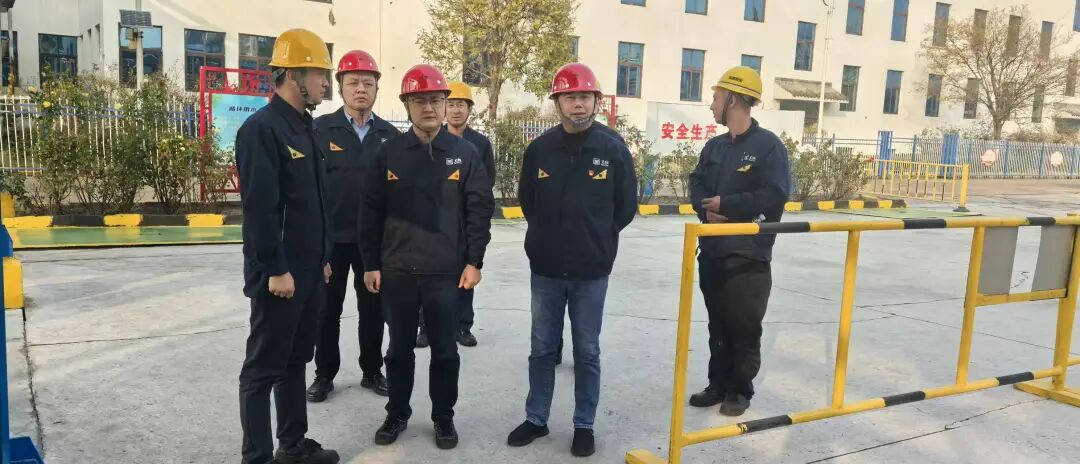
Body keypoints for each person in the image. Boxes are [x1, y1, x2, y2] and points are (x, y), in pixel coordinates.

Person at [359, 64, 495, 450]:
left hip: (446, 273)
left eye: (436, 100)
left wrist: (474, 261)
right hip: (397, 271)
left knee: (446, 352)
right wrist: (370, 263)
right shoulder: (388, 154)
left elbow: (479, 210)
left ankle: (443, 417)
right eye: (420, 101)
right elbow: (369, 212)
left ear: (445, 103)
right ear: (407, 105)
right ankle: (397, 412)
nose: (429, 108)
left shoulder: (465, 154)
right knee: (398, 350)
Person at [506, 62, 637, 458]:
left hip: (590, 271)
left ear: (595, 101)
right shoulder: (540, 150)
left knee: (587, 351)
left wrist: (596, 238)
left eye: (584, 97)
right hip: (546, 268)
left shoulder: (612, 149)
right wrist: (548, 236)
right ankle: (536, 418)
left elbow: (625, 208)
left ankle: (584, 425)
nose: (577, 104)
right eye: (569, 97)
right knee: (542, 348)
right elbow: (528, 202)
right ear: (557, 103)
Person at [235, 28, 339, 464]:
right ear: (293, 75)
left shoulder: (306, 128)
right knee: (262, 370)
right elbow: (260, 210)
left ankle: (292, 447)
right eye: (319, 75)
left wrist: (324, 257)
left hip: (310, 272)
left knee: (296, 360)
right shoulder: (262, 130)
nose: (326, 84)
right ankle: (257, 457)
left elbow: (316, 201)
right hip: (279, 276)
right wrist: (276, 269)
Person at [687, 66, 791, 417]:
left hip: (748, 256)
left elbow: (775, 194)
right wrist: (705, 212)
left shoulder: (768, 146)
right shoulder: (714, 147)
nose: (711, 105)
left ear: (733, 99)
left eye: (716, 98)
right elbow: (696, 183)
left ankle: (739, 390)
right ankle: (717, 385)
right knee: (717, 324)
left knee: (744, 326)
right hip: (713, 251)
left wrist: (727, 206)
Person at [307, 49, 400, 403]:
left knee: (373, 310)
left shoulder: (391, 136)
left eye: (368, 83)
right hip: (332, 241)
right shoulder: (319, 130)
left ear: (376, 88)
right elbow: (310, 190)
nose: (361, 89)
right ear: (341, 87)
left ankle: (372, 370)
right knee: (326, 311)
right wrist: (317, 246)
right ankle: (324, 374)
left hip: (373, 244)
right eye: (353, 83)